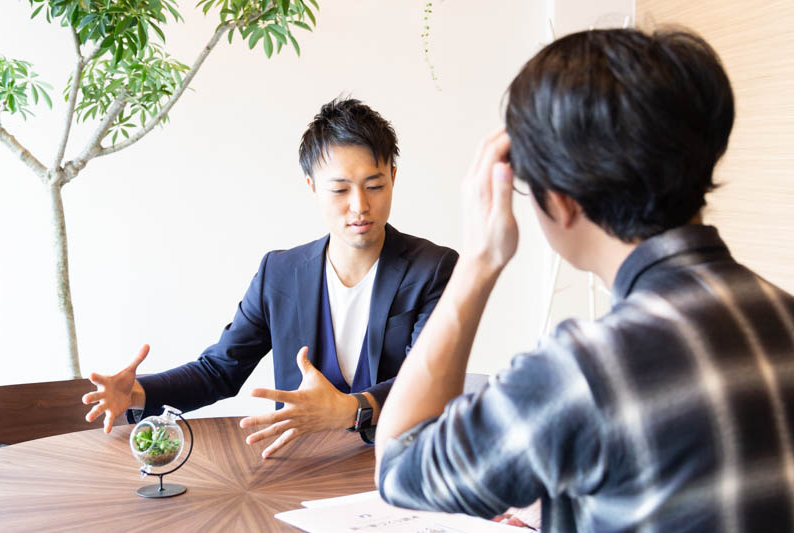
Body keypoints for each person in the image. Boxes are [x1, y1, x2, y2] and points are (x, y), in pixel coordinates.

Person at [374, 28, 794, 532]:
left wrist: (480, 259)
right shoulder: (784, 315)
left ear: (563, 200)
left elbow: (399, 465)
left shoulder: (585, 373)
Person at [83, 97, 458, 458]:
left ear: (393, 177)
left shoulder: (434, 268)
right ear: (312, 186)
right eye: (340, 189)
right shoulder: (278, 273)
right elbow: (220, 371)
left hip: (402, 465)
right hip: (300, 466)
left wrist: (349, 410)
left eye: (374, 186)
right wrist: (138, 394)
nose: (360, 205)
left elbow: (431, 382)